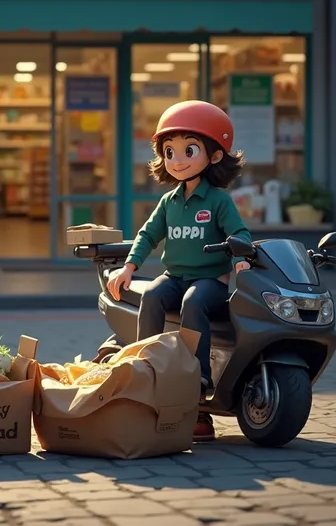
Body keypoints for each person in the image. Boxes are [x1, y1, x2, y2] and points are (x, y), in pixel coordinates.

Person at [107, 100, 252, 442]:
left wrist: (240, 259)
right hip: (173, 276)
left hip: (210, 281)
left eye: (189, 149)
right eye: (169, 152)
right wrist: (129, 267)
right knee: (154, 295)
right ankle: (144, 361)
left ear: (214, 155)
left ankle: (198, 375)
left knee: (194, 301)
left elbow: (239, 234)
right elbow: (148, 234)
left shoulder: (218, 200)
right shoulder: (168, 201)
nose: (178, 160)